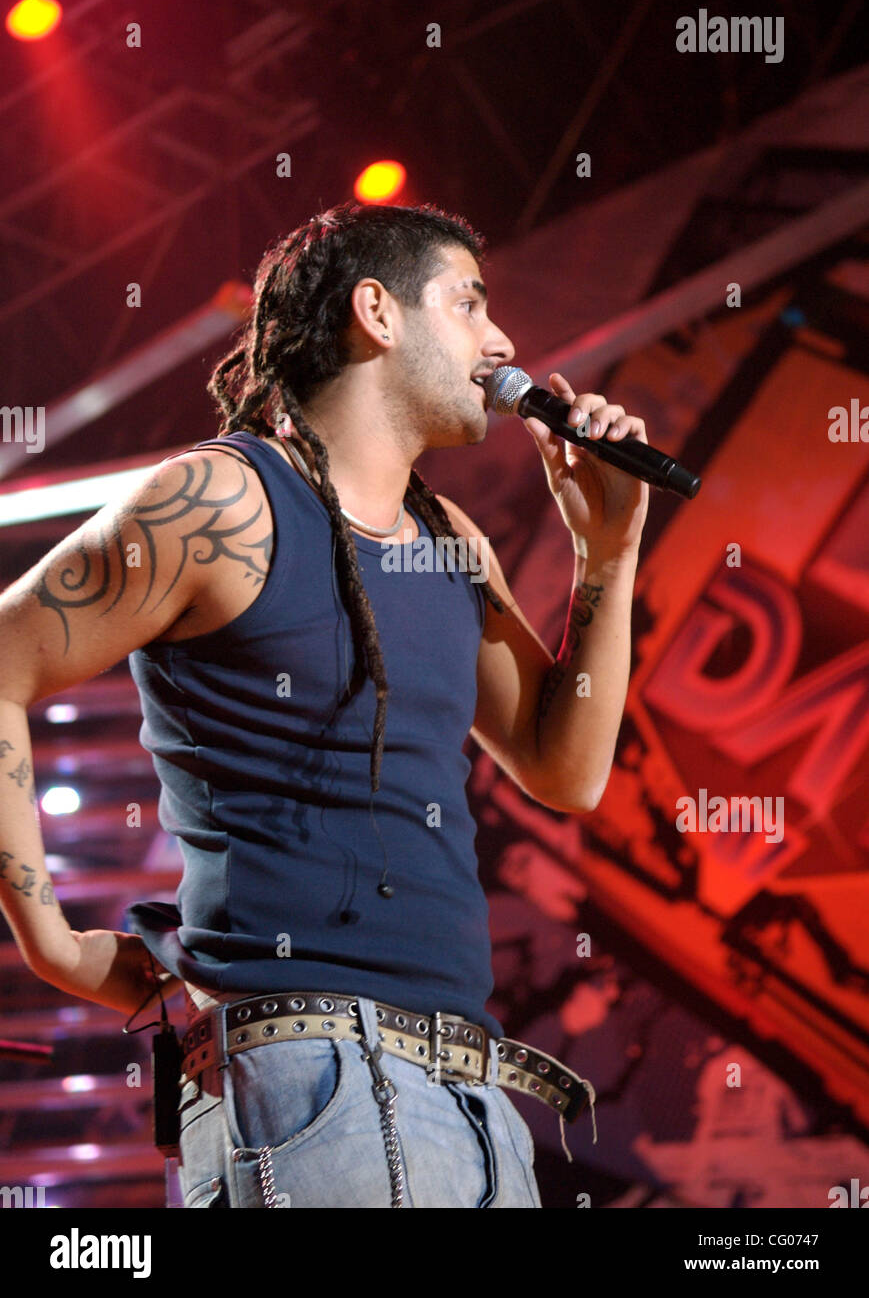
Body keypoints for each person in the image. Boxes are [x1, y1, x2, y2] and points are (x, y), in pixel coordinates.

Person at [0, 201, 648, 1207]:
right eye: (469, 302)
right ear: (376, 313)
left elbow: (565, 769)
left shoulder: (450, 540)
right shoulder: (221, 502)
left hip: (469, 1093)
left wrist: (605, 556)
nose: (501, 339)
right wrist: (48, 939)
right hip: (311, 1084)